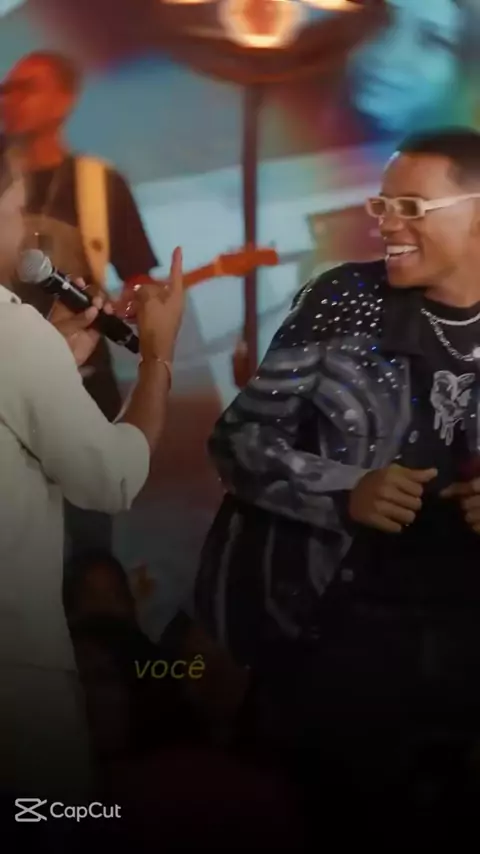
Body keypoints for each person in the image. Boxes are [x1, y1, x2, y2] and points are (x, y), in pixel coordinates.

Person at [196, 128, 480, 816]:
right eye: (383, 205)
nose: (387, 224)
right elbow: (238, 440)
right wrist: (343, 489)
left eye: (411, 207)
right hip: (340, 637)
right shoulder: (344, 298)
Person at [0, 139, 184, 797]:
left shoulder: (23, 341)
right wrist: (157, 356)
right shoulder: (10, 332)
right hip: (14, 667)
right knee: (51, 824)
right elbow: (112, 478)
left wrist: (51, 356)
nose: (22, 226)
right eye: (15, 206)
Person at [1, 49, 161, 560]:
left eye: (27, 87)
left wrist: (135, 305)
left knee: (89, 547)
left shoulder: (98, 183)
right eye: (7, 88)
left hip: (82, 375)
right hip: (21, 363)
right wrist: (160, 358)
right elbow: (117, 479)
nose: (10, 99)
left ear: (65, 100)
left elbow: (140, 280)